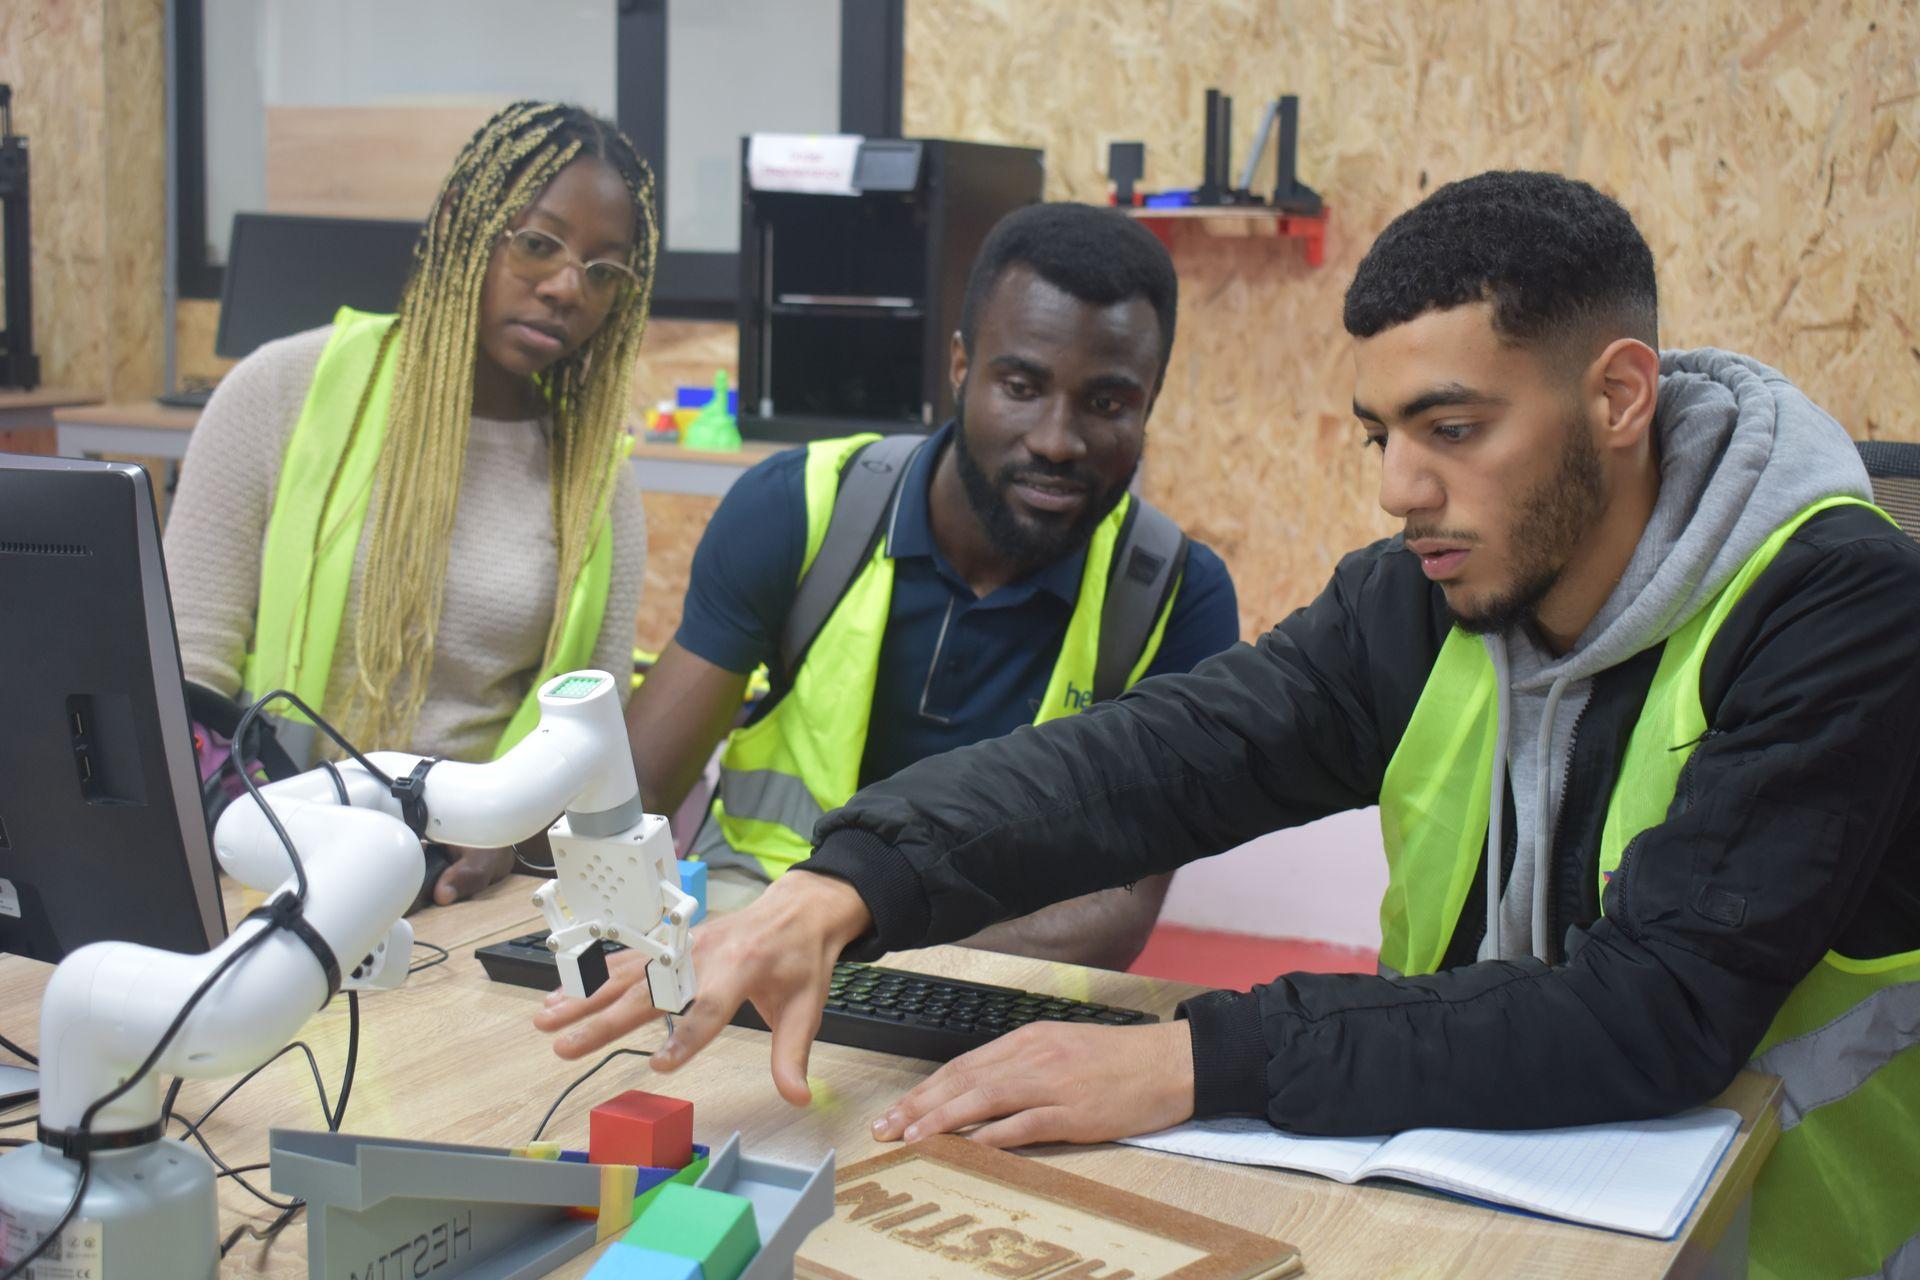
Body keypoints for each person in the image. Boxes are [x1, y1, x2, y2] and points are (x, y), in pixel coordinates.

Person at [538, 172, 1920, 1280]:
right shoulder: (1422, 598)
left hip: (1781, 1241)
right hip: (1477, 1198)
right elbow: (1160, 758)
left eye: (1451, 428)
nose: (1397, 488)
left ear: (1618, 397)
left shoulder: (1839, 609)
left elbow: (1660, 1009)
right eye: (1378, 431)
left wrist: (1192, 1059)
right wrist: (856, 879)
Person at [623, 202, 1239, 969]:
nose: (1055, 439)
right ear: (960, 365)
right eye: (1020, 386)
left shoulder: (1177, 598)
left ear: (1151, 400)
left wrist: (847, 938)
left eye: (1107, 403)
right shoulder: (798, 509)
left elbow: (1114, 919)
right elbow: (630, 799)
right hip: (741, 960)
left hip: (992, 996)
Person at [166, 101, 658, 906]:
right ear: (464, 222)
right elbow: (186, 682)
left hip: (463, 891)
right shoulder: (285, 390)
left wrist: (510, 836)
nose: (569, 287)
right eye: (538, 243)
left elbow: (588, 746)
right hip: (263, 857)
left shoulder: (597, 479)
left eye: (605, 271)